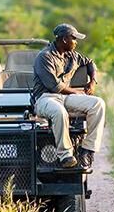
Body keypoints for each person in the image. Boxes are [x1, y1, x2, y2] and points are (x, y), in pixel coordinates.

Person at [33, 23, 105, 169]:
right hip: (46, 98)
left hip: (65, 98)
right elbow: (55, 86)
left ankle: (87, 150)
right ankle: (65, 156)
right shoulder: (44, 57)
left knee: (98, 104)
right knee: (59, 112)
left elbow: (90, 63)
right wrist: (77, 92)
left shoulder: (72, 55)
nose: (76, 42)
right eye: (74, 38)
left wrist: (92, 81)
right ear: (65, 39)